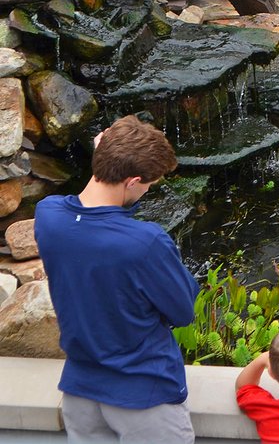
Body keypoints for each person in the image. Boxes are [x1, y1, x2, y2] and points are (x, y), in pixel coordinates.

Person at [34, 115, 200, 443]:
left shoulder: (48, 216)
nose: (146, 192)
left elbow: (95, 215)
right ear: (132, 181)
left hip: (81, 394)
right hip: (144, 397)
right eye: (147, 186)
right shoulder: (146, 242)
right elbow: (183, 312)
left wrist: (105, 157)